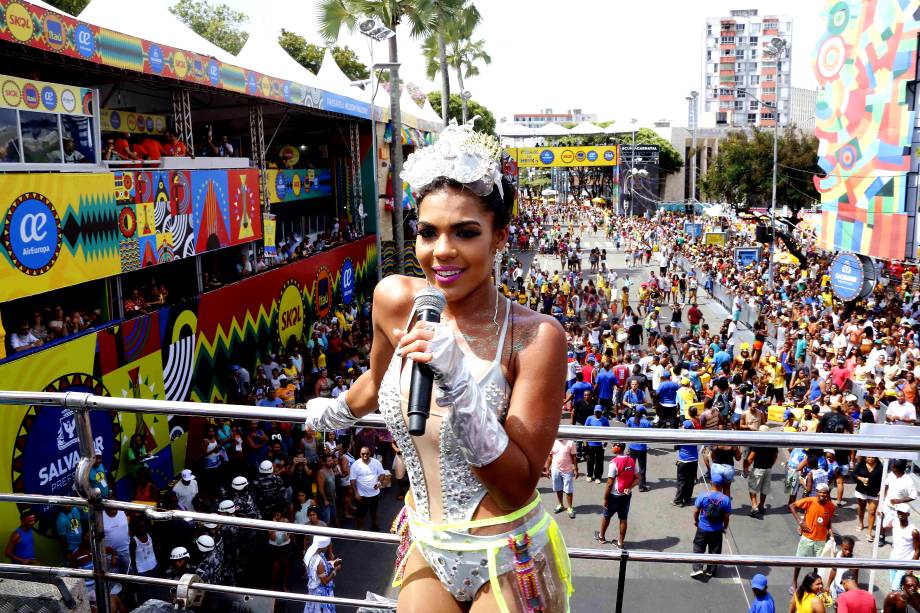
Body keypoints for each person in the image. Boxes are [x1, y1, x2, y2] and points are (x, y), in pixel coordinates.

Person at [304, 123, 572, 611]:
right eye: (428, 232)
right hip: (425, 539)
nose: (441, 251)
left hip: (506, 550)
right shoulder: (393, 299)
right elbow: (377, 380)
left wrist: (460, 384)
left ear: (499, 238)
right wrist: (333, 412)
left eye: (465, 232)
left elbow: (516, 487)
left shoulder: (535, 337)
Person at [789, 483, 835, 592]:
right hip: (807, 538)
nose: (822, 494)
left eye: (825, 492)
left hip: (821, 540)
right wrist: (800, 522)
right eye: (820, 492)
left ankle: (816, 585)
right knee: (799, 561)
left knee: (818, 564)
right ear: (817, 492)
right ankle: (794, 582)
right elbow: (792, 506)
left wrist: (831, 533)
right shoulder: (809, 501)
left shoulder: (831, 506)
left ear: (828, 494)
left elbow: (828, 521)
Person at [691, 472, 731, 578]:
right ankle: (711, 570)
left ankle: (698, 568)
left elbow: (696, 511)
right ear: (722, 485)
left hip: (703, 528)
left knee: (698, 548)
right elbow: (726, 517)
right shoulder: (726, 499)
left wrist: (696, 521)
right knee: (715, 551)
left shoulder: (703, 496)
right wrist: (724, 527)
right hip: (717, 530)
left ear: (711, 482)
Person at [596, 442, 637, 548]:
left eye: (614, 445)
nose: (612, 447)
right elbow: (638, 477)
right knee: (623, 518)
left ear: (619, 448)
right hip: (627, 495)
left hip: (615, 495)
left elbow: (609, 483)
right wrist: (629, 488)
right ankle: (620, 543)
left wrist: (605, 498)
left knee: (606, 516)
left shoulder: (614, 463)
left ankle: (601, 537)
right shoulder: (631, 460)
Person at [349, 446, 384, 531]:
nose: (365, 455)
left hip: (374, 493)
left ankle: (374, 525)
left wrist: (379, 483)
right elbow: (352, 480)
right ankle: (360, 529)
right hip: (361, 495)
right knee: (360, 513)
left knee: (374, 511)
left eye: (367, 453)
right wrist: (356, 493)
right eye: (363, 453)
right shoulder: (355, 465)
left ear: (370, 453)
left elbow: (382, 474)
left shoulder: (376, 462)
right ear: (360, 454)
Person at [303, 535, 340, 613]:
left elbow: (317, 570)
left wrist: (332, 564)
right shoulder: (319, 562)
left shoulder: (310, 551)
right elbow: (325, 582)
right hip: (320, 593)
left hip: (312, 587)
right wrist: (335, 571)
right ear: (324, 546)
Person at [745, 436, 779, 518]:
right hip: (768, 469)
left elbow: (751, 457)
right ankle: (761, 505)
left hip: (758, 469)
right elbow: (775, 456)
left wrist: (746, 467)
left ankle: (754, 506)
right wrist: (771, 464)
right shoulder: (773, 444)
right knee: (764, 489)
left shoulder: (758, 444)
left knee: (753, 488)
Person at [889, 503, 920, 590]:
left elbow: (918, 550)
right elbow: (887, 525)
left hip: (905, 562)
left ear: (908, 514)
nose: (900, 514)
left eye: (902, 512)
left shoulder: (914, 531)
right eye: (899, 512)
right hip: (893, 559)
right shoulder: (895, 522)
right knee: (893, 584)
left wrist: (911, 567)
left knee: (896, 587)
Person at [545, 438, 578, 518]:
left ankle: (570, 508)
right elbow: (550, 456)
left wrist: (576, 469)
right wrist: (547, 469)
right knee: (558, 488)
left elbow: (574, 457)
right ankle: (561, 505)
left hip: (567, 470)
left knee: (568, 490)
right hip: (555, 469)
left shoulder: (570, 442)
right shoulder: (553, 442)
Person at [853, 456, 882, 540]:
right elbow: (853, 474)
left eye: (872, 457)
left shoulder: (880, 467)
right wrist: (860, 478)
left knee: (872, 512)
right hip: (861, 491)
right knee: (861, 508)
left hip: (874, 492)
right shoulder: (861, 464)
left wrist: (882, 489)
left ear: (876, 458)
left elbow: (883, 479)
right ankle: (861, 523)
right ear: (865, 458)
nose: (870, 459)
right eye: (868, 457)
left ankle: (869, 532)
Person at [674, 419, 699, 507]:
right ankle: (687, 498)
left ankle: (678, 500)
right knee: (690, 481)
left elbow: (676, 447)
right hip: (694, 461)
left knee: (681, 481)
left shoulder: (682, 436)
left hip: (684, 461)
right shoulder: (695, 436)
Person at [626, 407, 652, 491]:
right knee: (642, 468)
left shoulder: (630, 419)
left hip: (632, 446)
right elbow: (650, 432)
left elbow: (628, 428)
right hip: (641, 448)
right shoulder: (646, 422)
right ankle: (642, 485)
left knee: (631, 466)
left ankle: (629, 481)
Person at [584, 405, 610, 483]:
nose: (597, 413)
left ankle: (598, 477)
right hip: (590, 444)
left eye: (599, 412)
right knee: (590, 460)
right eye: (596, 412)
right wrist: (585, 443)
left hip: (600, 445)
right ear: (594, 411)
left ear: (601, 412)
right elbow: (585, 430)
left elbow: (608, 431)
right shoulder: (589, 418)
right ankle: (589, 475)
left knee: (599, 461)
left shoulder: (605, 420)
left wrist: (605, 442)